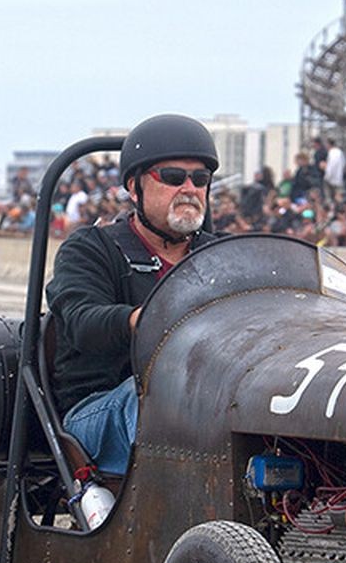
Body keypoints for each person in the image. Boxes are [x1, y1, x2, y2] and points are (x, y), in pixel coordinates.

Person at [46, 115, 222, 475]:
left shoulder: (222, 256)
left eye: (200, 179)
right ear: (134, 186)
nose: (189, 188)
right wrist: (143, 319)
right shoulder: (92, 249)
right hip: (102, 404)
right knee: (159, 397)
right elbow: (81, 320)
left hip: (207, 399)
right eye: (173, 177)